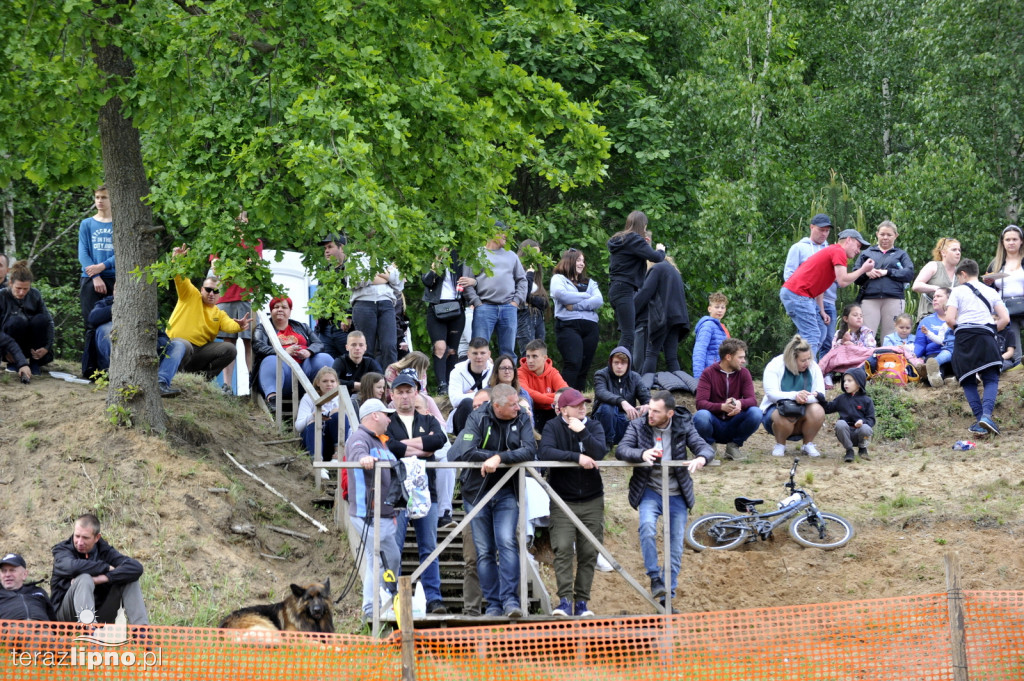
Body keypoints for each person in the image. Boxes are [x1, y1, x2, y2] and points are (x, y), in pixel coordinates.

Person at [615, 391, 711, 606]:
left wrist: (702, 458)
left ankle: (668, 598)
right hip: (650, 489)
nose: (650, 414)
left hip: (677, 492)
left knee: (675, 547)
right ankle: (654, 577)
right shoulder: (638, 425)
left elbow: (702, 446)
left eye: (656, 411)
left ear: (670, 413)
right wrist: (641, 454)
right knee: (647, 527)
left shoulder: (684, 425)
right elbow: (621, 450)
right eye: (650, 408)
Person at [450, 383, 536, 618]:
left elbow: (530, 450)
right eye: (512, 405)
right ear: (496, 406)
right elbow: (467, 450)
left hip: (507, 490)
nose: (517, 408)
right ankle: (494, 603)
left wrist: (500, 458)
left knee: (507, 543)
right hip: (476, 492)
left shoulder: (522, 418)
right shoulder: (477, 417)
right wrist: (494, 458)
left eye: (517, 403)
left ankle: (510, 601)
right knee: (484, 551)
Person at [538, 388, 607, 617]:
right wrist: (576, 457)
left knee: (589, 551)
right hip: (562, 499)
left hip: (592, 499)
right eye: (576, 405)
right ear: (563, 409)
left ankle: (583, 603)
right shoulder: (552, 426)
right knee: (563, 548)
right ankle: (565, 601)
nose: (582, 407)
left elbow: (600, 452)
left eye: (584, 404)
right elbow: (545, 451)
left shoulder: (593, 425)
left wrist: (583, 432)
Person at [386, 370, 449, 615]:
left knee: (429, 546)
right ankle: (393, 598)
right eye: (399, 392)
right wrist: (421, 448)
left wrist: (404, 448)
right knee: (394, 548)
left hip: (426, 490)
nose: (404, 397)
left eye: (408, 391)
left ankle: (433, 598)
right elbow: (388, 445)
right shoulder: (387, 420)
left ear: (416, 393)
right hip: (396, 493)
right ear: (392, 395)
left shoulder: (429, 419)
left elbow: (439, 441)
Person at [161, 245, 251, 395]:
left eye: (216, 291)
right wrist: (177, 260)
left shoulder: (218, 312)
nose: (211, 293)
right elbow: (179, 278)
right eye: (208, 289)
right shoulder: (190, 295)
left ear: (219, 294)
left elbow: (229, 324)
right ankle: (169, 379)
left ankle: (199, 382)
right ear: (201, 289)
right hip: (177, 347)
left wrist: (239, 326)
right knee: (184, 345)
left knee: (229, 349)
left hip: (198, 353)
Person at [345, 398, 402, 622]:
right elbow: (357, 453)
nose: (389, 419)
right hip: (366, 512)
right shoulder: (360, 437)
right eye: (386, 414)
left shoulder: (381, 441)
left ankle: (377, 603)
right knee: (385, 557)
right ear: (375, 415)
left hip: (384, 513)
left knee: (378, 559)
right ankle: (374, 606)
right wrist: (364, 458)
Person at [780, 229, 875, 357]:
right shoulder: (838, 251)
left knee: (821, 331)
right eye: (858, 246)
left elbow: (820, 285)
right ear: (848, 240)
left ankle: (795, 363)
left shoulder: (832, 252)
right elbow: (843, 281)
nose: (858, 251)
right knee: (812, 335)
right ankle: (805, 372)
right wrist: (863, 269)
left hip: (801, 295)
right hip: (798, 294)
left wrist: (821, 310)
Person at [945, 259, 1009, 435]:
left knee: (967, 380)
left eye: (959, 277)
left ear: (963, 274)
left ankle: (980, 419)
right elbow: (1005, 318)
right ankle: (986, 416)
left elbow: (950, 319)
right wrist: (991, 330)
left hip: (964, 338)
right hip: (986, 336)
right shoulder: (990, 291)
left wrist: (961, 330)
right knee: (990, 379)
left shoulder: (957, 291)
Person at [51, 514, 149, 625]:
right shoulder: (62, 550)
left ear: (97, 538)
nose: (80, 542)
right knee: (84, 578)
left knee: (129, 578)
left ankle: (141, 632)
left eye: (85, 538)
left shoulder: (104, 551)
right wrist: (105, 567)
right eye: (77, 536)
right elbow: (72, 567)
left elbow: (135, 568)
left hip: (101, 613)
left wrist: (102, 578)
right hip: (65, 616)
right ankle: (89, 629)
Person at [208, 215, 262, 393]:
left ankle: (253, 383)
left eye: (243, 217)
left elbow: (256, 265)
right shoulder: (220, 241)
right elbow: (216, 267)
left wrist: (231, 266)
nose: (240, 221)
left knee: (249, 341)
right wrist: (241, 265)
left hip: (247, 295)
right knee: (228, 341)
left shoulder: (255, 242)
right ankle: (227, 385)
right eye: (236, 217)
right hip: (225, 297)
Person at [252, 296, 334, 413]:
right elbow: (258, 347)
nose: (280, 309)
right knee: (271, 360)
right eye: (276, 307)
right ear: (271, 311)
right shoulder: (263, 328)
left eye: (284, 307)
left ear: (290, 311)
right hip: (283, 374)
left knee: (324, 358)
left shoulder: (302, 327)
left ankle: (328, 397)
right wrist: (283, 352)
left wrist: (308, 351)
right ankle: (272, 399)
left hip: (305, 371)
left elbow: (318, 343)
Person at [463, 221, 527, 359]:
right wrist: (477, 302)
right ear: (492, 233)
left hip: (509, 307)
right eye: (503, 233)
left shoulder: (512, 256)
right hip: (484, 307)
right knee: (479, 349)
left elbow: (522, 280)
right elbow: (466, 282)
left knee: (508, 352)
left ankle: (508, 381)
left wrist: (516, 302)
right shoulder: (476, 255)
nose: (506, 236)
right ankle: (479, 380)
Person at [693, 338, 762, 463]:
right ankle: (709, 447)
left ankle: (733, 446)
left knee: (756, 413)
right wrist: (721, 407)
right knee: (701, 415)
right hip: (713, 423)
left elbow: (752, 400)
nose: (743, 361)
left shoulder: (744, 373)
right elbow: (700, 403)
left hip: (734, 423)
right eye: (740, 357)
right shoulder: (708, 373)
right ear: (728, 357)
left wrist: (739, 404)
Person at [607, 210, 666, 351]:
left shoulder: (622, 240)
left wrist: (643, 245)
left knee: (626, 334)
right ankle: (616, 370)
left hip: (616, 290)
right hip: (624, 289)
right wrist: (661, 250)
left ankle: (619, 368)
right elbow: (656, 258)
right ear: (643, 225)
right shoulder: (634, 239)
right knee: (628, 336)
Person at [760, 335, 827, 458]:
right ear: (792, 358)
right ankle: (780, 444)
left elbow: (820, 394)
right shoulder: (775, 364)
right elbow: (771, 394)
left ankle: (808, 444)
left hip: (804, 408)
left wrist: (803, 398)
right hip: (777, 408)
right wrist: (795, 396)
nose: (807, 363)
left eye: (809, 358)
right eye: (803, 360)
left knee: (818, 410)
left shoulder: (813, 366)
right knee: (785, 414)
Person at [784, 214, 838, 358]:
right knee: (810, 335)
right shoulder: (799, 248)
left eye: (827, 231)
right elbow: (789, 276)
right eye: (821, 230)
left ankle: (818, 370)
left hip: (827, 299)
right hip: (805, 298)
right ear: (811, 227)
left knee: (825, 338)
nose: (824, 234)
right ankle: (802, 367)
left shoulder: (832, 249)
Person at [550, 248, 603, 389]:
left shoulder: (589, 282)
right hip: (568, 326)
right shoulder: (558, 279)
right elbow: (560, 294)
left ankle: (579, 400)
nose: (582, 264)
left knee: (584, 367)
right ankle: (565, 399)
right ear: (570, 261)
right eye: (579, 260)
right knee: (573, 363)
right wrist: (586, 296)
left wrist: (575, 306)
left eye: (583, 261)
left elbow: (598, 300)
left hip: (590, 327)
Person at [853, 220, 915, 340]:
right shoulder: (867, 253)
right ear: (877, 234)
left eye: (889, 235)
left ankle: (889, 358)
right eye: (882, 234)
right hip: (870, 298)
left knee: (890, 337)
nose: (885, 238)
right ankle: (866, 359)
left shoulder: (901, 254)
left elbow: (909, 274)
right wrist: (866, 273)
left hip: (894, 298)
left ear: (896, 236)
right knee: (866, 336)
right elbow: (856, 277)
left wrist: (888, 272)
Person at [421, 248, 468, 393]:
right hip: (437, 307)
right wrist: (437, 261)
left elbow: (472, 278)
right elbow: (427, 281)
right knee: (440, 347)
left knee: (452, 350)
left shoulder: (460, 257)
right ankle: (442, 384)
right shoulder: (430, 257)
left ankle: (451, 384)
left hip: (456, 306)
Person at [634, 256, 690, 374]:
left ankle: (646, 386)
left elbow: (645, 292)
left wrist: (631, 308)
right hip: (678, 318)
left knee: (651, 353)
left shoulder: (657, 269)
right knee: (671, 357)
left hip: (663, 317)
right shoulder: (674, 271)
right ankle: (679, 385)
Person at [350, 247, 403, 367]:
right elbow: (357, 279)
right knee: (366, 348)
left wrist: (371, 272)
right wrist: (387, 276)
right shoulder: (355, 258)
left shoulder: (384, 260)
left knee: (389, 345)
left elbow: (399, 282)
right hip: (364, 303)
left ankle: (390, 381)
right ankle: (368, 382)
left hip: (386, 303)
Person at [0, 261, 54, 375]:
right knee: (16, 321)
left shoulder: (35, 295)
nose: (21, 292)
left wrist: (47, 347)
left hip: (32, 343)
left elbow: (49, 322)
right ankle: (13, 363)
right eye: (18, 288)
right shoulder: (2, 296)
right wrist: (5, 351)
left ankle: (35, 362)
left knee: (41, 319)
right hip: (8, 343)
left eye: (26, 289)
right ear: (10, 283)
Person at [78, 186, 116, 342]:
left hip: (114, 279)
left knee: (113, 323)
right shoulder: (87, 223)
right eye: (97, 197)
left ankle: (109, 363)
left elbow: (124, 253)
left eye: (104, 197)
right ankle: (90, 365)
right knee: (90, 323)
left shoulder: (119, 224)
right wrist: (96, 276)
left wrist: (103, 266)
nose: (100, 201)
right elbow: (83, 253)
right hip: (90, 278)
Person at [592, 346, 649, 445]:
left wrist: (647, 405)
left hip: (626, 420)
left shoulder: (635, 377)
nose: (619, 366)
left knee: (649, 411)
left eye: (623, 363)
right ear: (611, 363)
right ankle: (606, 444)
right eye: (616, 363)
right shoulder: (601, 375)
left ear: (628, 364)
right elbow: (601, 392)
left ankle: (640, 442)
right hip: (605, 422)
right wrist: (622, 402)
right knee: (608, 407)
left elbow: (646, 398)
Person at [984, 225, 1024, 365]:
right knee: (1010, 332)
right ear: (1003, 242)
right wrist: (988, 284)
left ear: (1021, 241)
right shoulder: (996, 264)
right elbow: (990, 292)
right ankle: (1017, 363)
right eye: (1008, 239)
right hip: (1006, 307)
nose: (1011, 242)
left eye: (1014, 239)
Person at [817, 303, 877, 388]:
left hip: (859, 360)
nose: (859, 317)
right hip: (843, 361)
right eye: (855, 315)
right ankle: (827, 377)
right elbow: (833, 351)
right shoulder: (839, 333)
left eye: (861, 315)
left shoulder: (866, 332)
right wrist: (842, 342)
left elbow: (870, 350)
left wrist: (853, 347)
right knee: (829, 356)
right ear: (846, 318)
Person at [824, 367, 876, 463]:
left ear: (859, 383)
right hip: (846, 434)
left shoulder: (867, 400)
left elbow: (871, 420)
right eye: (844, 381)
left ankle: (863, 449)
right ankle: (849, 450)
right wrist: (819, 398)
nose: (845, 383)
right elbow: (828, 408)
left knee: (866, 429)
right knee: (840, 424)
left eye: (849, 380)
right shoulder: (841, 399)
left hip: (861, 434)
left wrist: (862, 422)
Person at [294, 366, 340, 473]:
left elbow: (351, 428)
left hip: (332, 442)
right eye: (325, 381)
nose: (329, 384)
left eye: (332, 381)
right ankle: (318, 464)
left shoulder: (342, 398)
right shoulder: (308, 397)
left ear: (337, 383)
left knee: (338, 414)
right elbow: (298, 426)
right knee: (313, 423)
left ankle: (338, 454)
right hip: (313, 440)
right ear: (318, 383)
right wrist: (314, 416)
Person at [518, 339, 568, 433]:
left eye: (534, 356)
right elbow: (528, 393)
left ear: (545, 358)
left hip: (551, 410)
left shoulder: (552, 372)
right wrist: (554, 398)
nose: (530, 360)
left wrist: (542, 397)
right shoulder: (520, 373)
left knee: (566, 407)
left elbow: (565, 392)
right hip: (532, 411)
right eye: (528, 356)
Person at [316, 233, 352, 358]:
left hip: (345, 328)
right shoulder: (325, 272)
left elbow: (354, 294)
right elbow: (320, 298)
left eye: (330, 247)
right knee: (329, 367)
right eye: (325, 248)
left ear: (341, 247)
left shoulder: (350, 269)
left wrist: (348, 314)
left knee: (351, 364)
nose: (326, 251)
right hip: (326, 328)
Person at [912, 237, 960, 321]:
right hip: (929, 316)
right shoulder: (933, 266)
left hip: (951, 319)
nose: (958, 253)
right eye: (954, 250)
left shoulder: (960, 272)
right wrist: (937, 289)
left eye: (959, 250)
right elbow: (916, 285)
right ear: (943, 253)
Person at [916, 287, 955, 387]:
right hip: (935, 354)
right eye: (933, 297)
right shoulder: (926, 321)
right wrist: (912, 357)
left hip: (956, 353)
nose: (934, 299)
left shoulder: (960, 318)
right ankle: (934, 378)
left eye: (939, 296)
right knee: (934, 368)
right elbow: (919, 344)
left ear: (950, 299)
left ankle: (955, 380)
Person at [515, 239, 548, 356]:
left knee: (540, 353)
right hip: (523, 314)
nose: (536, 257)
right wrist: (529, 273)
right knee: (528, 353)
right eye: (533, 253)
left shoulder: (536, 274)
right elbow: (523, 294)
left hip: (537, 315)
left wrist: (531, 299)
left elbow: (544, 303)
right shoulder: (518, 270)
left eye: (538, 254)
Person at [0, 553, 55, 621]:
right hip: (10, 629)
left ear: (24, 574)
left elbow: (53, 620)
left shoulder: (39, 592)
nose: (7, 575)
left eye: (12, 570)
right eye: (3, 571)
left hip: (41, 628)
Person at [332, 330, 384, 398]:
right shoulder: (340, 361)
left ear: (365, 347)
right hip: (343, 400)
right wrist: (353, 384)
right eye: (353, 345)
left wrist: (361, 386)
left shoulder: (370, 362)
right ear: (347, 347)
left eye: (361, 345)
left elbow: (381, 379)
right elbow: (333, 381)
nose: (357, 348)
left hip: (366, 399)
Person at [691, 292, 730, 378]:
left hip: (720, 373)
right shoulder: (707, 326)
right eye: (717, 307)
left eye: (722, 307)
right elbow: (699, 351)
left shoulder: (722, 328)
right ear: (709, 309)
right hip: (709, 374)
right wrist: (699, 377)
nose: (720, 310)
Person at [448, 337, 494, 408]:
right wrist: (486, 395)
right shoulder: (457, 372)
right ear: (468, 354)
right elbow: (455, 401)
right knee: (467, 403)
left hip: (490, 412)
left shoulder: (494, 371)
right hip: (466, 413)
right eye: (475, 353)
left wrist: (472, 395)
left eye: (482, 353)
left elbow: (500, 397)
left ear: (489, 354)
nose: (479, 356)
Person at [488, 354, 533, 425]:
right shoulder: (487, 391)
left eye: (510, 368)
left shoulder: (522, 393)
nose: (507, 371)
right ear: (496, 371)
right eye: (503, 368)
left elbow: (531, 421)